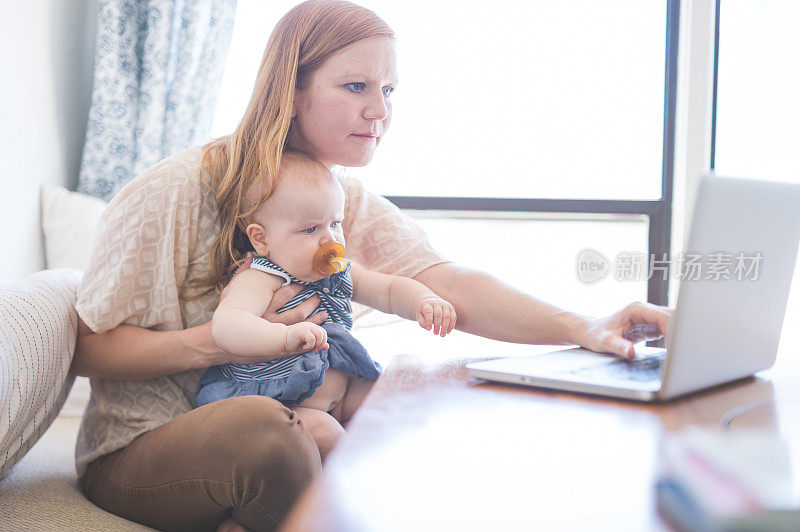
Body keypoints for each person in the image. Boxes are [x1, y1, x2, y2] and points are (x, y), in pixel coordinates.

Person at [70, 1, 673, 531]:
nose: (379, 111)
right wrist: (227, 343)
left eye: (389, 91)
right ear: (292, 91)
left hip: (288, 425)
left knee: (418, 398)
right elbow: (88, 348)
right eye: (356, 87)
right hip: (141, 447)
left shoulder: (336, 199)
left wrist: (584, 327)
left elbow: (444, 283)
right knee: (265, 430)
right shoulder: (173, 190)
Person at [194, 150, 456, 461]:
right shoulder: (262, 278)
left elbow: (387, 289)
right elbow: (227, 326)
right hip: (285, 402)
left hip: (342, 388)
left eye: (335, 223)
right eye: (310, 229)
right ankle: (347, 489)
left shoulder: (338, 269)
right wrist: (282, 338)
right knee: (327, 436)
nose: (329, 239)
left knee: (396, 396)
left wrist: (423, 301)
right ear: (262, 239)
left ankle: (407, 460)